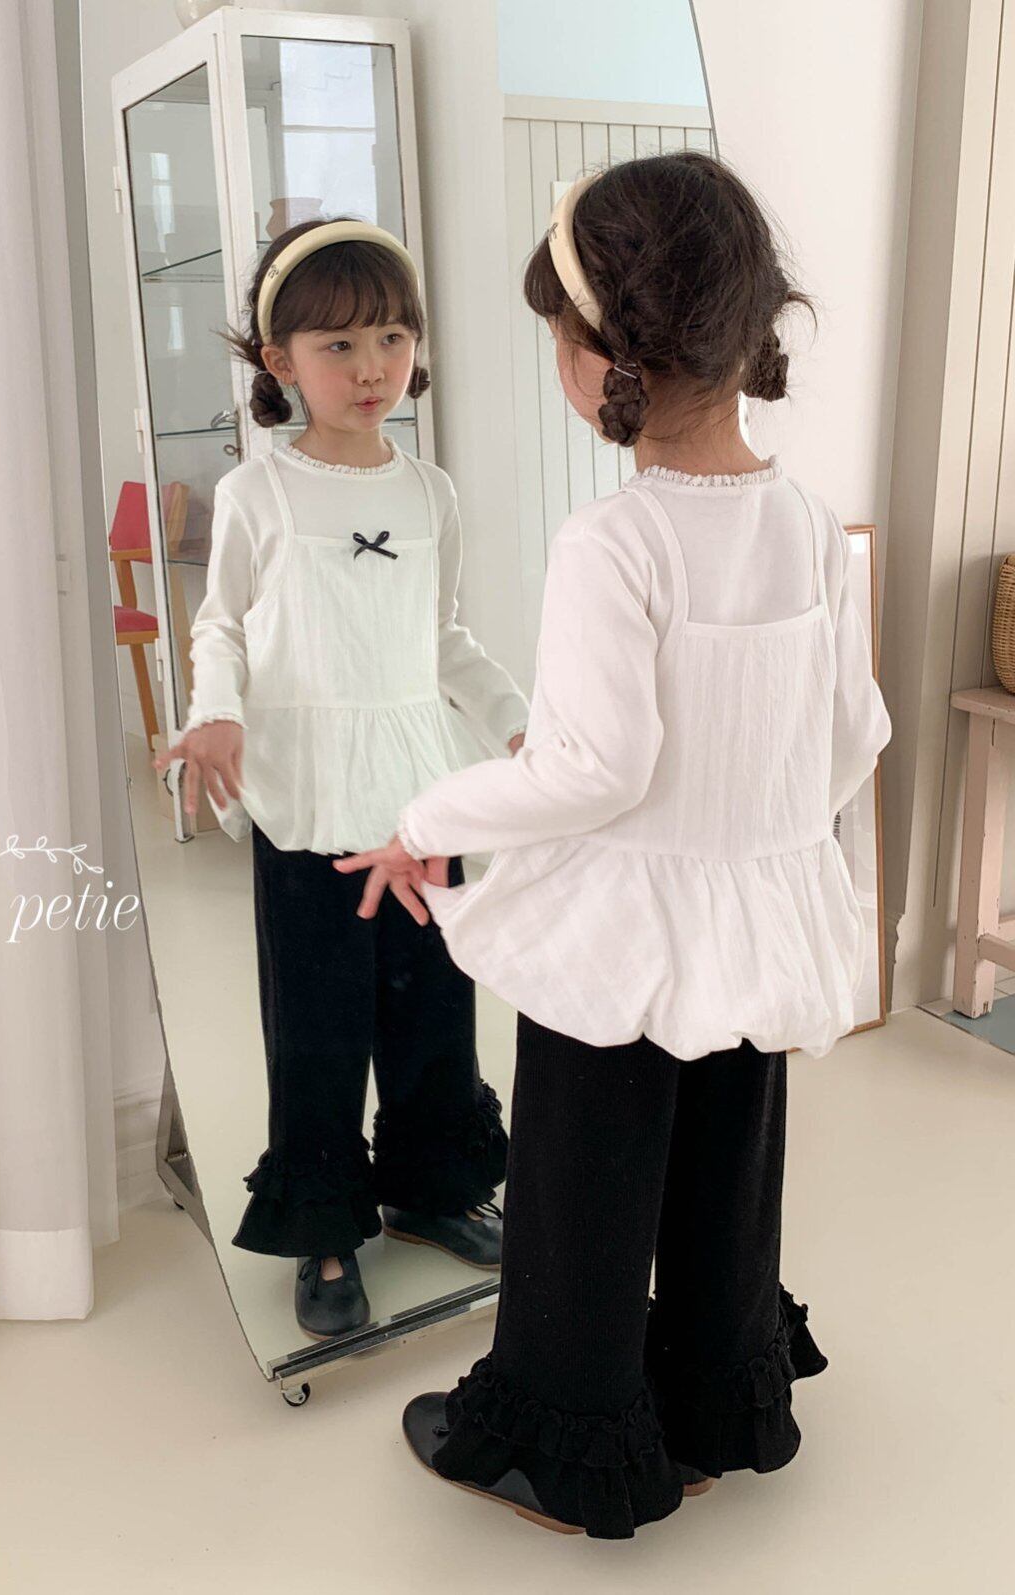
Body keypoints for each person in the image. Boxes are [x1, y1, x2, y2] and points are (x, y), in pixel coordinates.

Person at [336, 153, 892, 1537]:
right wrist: (757, 830)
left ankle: (565, 1434)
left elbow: (595, 767)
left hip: (623, 936)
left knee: (581, 1184)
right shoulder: (807, 523)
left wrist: (426, 820)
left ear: (603, 358)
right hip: (755, 918)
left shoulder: (616, 540)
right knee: (724, 1171)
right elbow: (852, 732)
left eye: (556, 338)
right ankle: (713, 1400)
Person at [159, 218, 530, 1340]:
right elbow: (220, 625)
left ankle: (432, 1188)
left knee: (434, 1009)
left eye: (391, 337)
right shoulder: (256, 493)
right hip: (308, 794)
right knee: (318, 1026)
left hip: (417, 794)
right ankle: (324, 1222)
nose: (372, 367)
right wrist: (215, 712)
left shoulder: (431, 492)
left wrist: (520, 725)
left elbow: (445, 636)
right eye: (338, 345)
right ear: (280, 361)